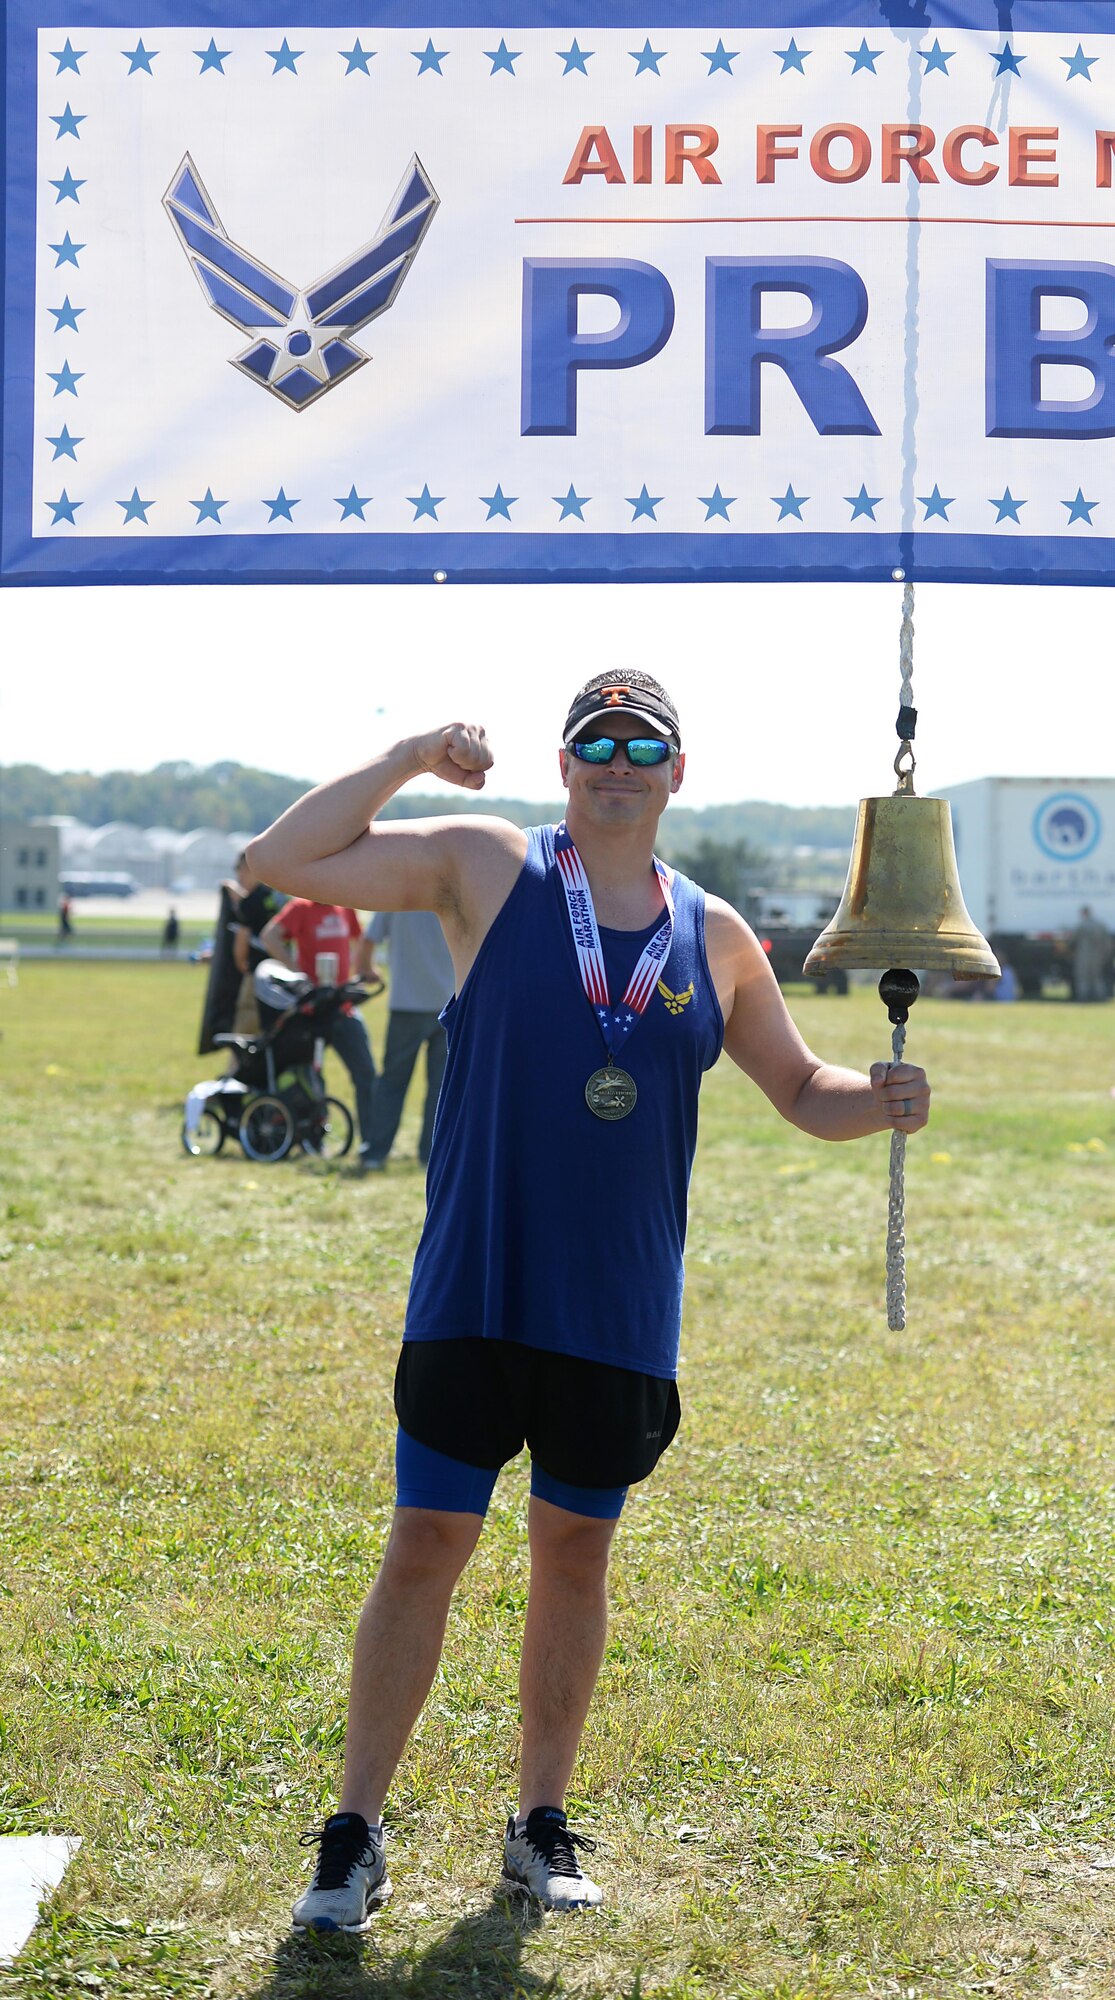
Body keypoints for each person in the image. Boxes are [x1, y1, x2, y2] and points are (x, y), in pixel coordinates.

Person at [246, 672, 930, 1930]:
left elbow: (798, 1085)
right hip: (476, 1286)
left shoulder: (714, 933)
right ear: (564, 764)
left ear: (678, 771)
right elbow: (276, 854)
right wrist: (407, 751)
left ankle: (538, 1823)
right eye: (595, 742)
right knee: (424, 1547)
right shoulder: (486, 866)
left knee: (574, 1553)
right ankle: (351, 1833)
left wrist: (872, 1094)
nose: (618, 760)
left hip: (614, 1309)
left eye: (643, 744)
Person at [259, 896, 378, 1162]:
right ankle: (314, 1138)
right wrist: (296, 972)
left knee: (366, 1074)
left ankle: (372, 1142)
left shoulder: (346, 906)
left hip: (344, 1006)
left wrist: (365, 969)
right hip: (314, 1010)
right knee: (313, 1078)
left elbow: (359, 942)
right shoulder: (301, 907)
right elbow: (270, 935)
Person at [354, 910, 453, 1171]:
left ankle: (376, 1152)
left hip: (405, 1004)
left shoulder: (398, 896)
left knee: (392, 1082)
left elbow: (368, 939)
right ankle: (431, 1155)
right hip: (447, 1004)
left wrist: (367, 969)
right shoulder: (452, 887)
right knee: (440, 1087)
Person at [229, 852, 285, 1036]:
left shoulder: (250, 902)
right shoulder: (279, 897)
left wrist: (241, 964)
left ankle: (240, 1064)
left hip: (257, 973)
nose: (238, 878)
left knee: (246, 1026)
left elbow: (242, 940)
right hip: (282, 974)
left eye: (239, 871)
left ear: (249, 869)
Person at [1070, 905, 1111, 1003]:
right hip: (1098, 956)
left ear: (1084, 913)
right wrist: (1105, 956)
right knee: (1097, 977)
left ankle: (1083, 997)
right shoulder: (1101, 925)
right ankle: (1101, 997)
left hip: (1084, 956)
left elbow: (1073, 940)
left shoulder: (1082, 925)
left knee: (1082, 977)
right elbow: (1108, 944)